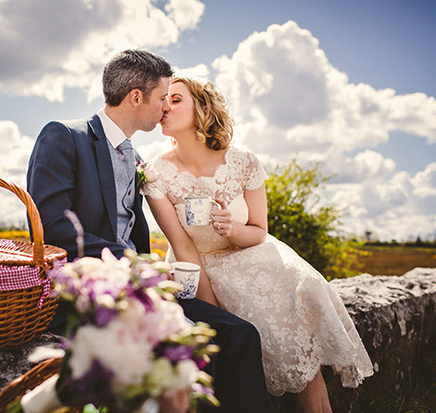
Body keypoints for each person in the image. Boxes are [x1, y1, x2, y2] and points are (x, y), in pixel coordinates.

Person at [27, 49, 274, 412]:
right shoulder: (65, 136)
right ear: (136, 97)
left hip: (142, 289)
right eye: (162, 98)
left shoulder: (138, 159)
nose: (165, 108)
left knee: (240, 335)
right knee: (193, 348)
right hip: (90, 295)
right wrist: (135, 266)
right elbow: (53, 228)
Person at [142, 75, 375, 412]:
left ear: (202, 108)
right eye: (164, 99)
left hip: (252, 253)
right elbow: (182, 246)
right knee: (258, 326)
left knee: (302, 289)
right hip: (199, 266)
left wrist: (231, 228)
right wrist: (213, 311)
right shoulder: (156, 173)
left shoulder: (244, 162)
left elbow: (259, 231)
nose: (165, 106)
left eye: (176, 100)